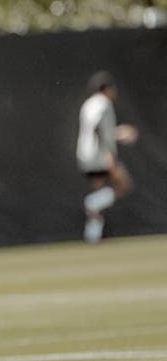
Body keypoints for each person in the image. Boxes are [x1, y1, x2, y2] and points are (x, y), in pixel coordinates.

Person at [76, 71, 138, 243]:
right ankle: (92, 203)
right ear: (106, 89)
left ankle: (93, 235)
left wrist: (118, 133)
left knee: (100, 192)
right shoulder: (104, 104)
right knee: (123, 184)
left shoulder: (88, 104)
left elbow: (97, 130)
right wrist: (109, 155)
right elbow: (98, 129)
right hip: (99, 157)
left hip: (84, 156)